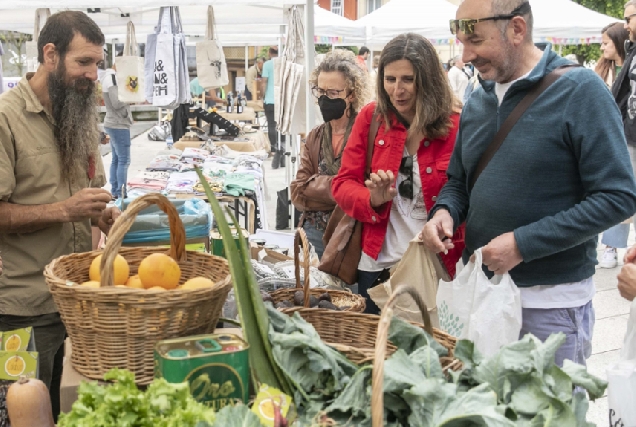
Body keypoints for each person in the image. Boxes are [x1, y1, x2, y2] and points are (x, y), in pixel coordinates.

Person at [422, 0, 636, 367]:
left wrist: (523, 244)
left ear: (517, 29)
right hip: (482, 301)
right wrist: (444, 211)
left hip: (550, 308)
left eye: (475, 40)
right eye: (461, 42)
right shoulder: (477, 99)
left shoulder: (580, 91)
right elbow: (459, 182)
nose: (467, 54)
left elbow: (619, 197)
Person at [0, 11, 120, 421]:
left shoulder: (81, 114)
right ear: (50, 55)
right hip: (23, 306)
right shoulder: (5, 119)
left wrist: (100, 217)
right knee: (25, 412)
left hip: (76, 303)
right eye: (83, 62)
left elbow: (88, 202)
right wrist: (65, 211)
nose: (92, 75)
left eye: (97, 65)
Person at [332, 33, 465, 314]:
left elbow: (467, 191)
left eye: (408, 79)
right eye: (390, 79)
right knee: (377, 352)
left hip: (436, 267)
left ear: (427, 80)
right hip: (377, 267)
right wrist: (372, 199)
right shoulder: (371, 118)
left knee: (430, 354)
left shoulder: (456, 124)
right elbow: (342, 184)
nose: (397, 89)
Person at [290, 50, 370, 259]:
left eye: (333, 93)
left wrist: (316, 186)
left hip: (350, 234)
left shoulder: (366, 134)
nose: (324, 99)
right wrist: (344, 189)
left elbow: (365, 190)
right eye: (320, 91)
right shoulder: (315, 136)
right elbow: (298, 191)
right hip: (313, 233)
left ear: (351, 94)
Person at [595, 22, 630, 268]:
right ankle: (610, 246)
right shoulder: (602, 70)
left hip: (628, 136)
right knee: (615, 191)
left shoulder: (630, 67)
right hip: (610, 137)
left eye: (606, 42)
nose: (601, 47)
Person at [101, 53, 133, 200]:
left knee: (116, 159)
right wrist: (131, 98)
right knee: (124, 160)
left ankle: (115, 190)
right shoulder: (112, 78)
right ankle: (121, 193)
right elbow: (116, 102)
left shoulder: (109, 76)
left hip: (113, 122)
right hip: (118, 124)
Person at [261, 46, 286, 169]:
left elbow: (264, 81)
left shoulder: (267, 65)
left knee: (272, 124)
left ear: (270, 53)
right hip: (283, 100)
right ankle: (283, 149)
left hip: (270, 100)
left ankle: (275, 149)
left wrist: (262, 94)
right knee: (282, 126)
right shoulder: (285, 64)